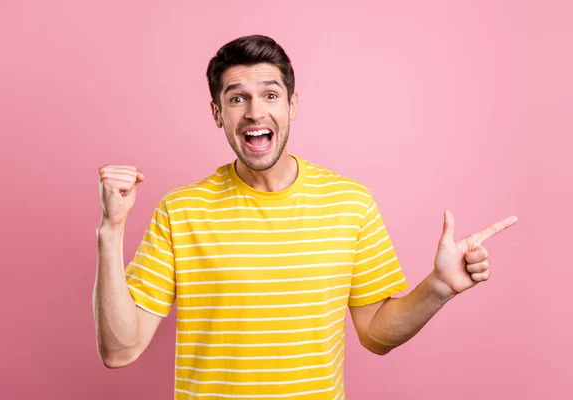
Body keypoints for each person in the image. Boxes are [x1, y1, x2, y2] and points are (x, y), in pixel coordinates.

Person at [93, 34, 518, 399]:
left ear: (292, 105)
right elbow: (120, 350)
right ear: (217, 114)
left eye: (270, 95)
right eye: (237, 98)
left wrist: (439, 287)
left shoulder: (350, 202)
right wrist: (110, 231)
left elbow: (375, 334)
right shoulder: (180, 210)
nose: (255, 112)